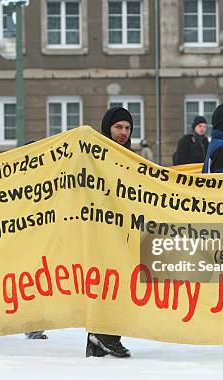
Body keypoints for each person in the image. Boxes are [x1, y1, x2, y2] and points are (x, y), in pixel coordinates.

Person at [85, 107, 133, 358]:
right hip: (100, 231)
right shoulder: (94, 155)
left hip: (124, 233)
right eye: (118, 127)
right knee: (103, 281)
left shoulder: (132, 158)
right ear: (108, 128)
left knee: (120, 283)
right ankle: (104, 335)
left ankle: (101, 340)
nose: (123, 133)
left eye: (127, 128)